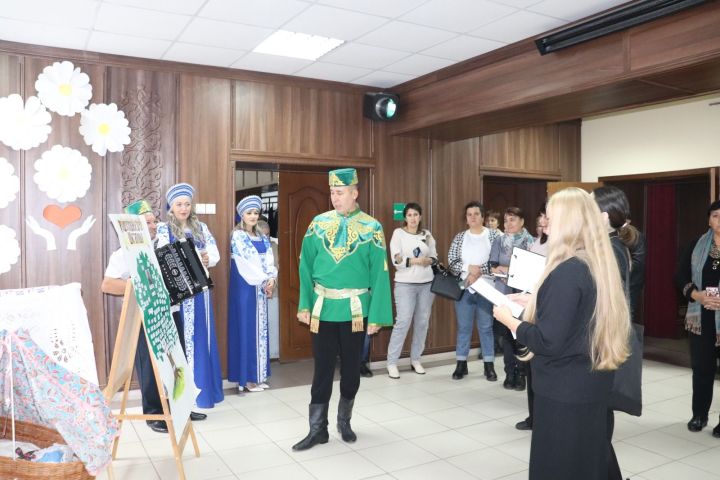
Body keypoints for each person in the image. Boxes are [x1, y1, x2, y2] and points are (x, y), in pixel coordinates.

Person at [493, 187, 630, 480]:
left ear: (568, 224)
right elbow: (581, 314)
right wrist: (535, 301)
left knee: (559, 466)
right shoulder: (596, 263)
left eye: (551, 220)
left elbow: (548, 341)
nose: (545, 227)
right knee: (589, 461)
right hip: (591, 382)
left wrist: (512, 321)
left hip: (563, 390)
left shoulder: (567, 271)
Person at [292, 168, 392, 451]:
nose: (335, 198)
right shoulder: (318, 223)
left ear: (354, 193)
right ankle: (317, 429)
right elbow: (305, 267)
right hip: (323, 309)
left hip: (356, 310)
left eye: (340, 193)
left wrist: (378, 316)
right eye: (332, 193)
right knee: (322, 369)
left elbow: (380, 274)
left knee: (351, 370)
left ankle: (344, 421)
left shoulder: (372, 227)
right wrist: (304, 304)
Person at [102, 200, 169, 433]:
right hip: (141, 316)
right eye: (147, 223)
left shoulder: (161, 246)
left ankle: (174, 409)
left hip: (165, 313)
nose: (153, 226)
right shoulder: (123, 253)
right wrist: (138, 284)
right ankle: (153, 414)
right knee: (148, 366)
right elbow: (108, 284)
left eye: (154, 221)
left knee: (169, 363)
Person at [593, 185, 646, 480]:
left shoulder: (610, 250)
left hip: (603, 343)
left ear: (602, 216)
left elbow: (604, 305)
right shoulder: (609, 245)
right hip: (604, 342)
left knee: (598, 427)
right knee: (597, 427)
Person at [156, 183, 224, 410]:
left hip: (201, 292)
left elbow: (214, 254)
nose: (183, 208)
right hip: (180, 294)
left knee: (202, 338)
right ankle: (184, 395)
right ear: (171, 207)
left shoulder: (201, 228)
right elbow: (163, 257)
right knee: (182, 339)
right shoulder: (164, 230)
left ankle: (203, 393)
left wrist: (207, 259)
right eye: (179, 204)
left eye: (186, 204)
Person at [675, 200, 720, 437]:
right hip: (701, 317)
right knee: (702, 368)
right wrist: (696, 295)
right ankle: (699, 415)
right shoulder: (696, 245)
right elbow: (680, 275)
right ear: (708, 220)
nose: (719, 220)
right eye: (715, 215)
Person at [228, 196, 278, 393]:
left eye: (256, 213)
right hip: (245, 288)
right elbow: (247, 263)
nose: (253, 216)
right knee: (247, 328)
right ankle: (247, 378)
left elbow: (269, 261)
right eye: (249, 213)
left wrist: (272, 278)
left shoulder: (263, 238)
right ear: (241, 215)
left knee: (260, 330)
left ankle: (258, 375)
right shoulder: (238, 236)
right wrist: (265, 279)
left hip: (259, 287)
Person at [448, 201, 500, 381]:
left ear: (483, 216)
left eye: (476, 214)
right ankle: (461, 364)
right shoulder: (460, 237)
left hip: (487, 289)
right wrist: (469, 268)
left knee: (486, 328)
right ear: (466, 218)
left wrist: (478, 272)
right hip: (464, 289)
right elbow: (452, 263)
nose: (473, 217)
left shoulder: (494, 235)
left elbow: (497, 261)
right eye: (469, 214)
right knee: (463, 328)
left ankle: (489, 365)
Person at [386, 202, 438, 379]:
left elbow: (434, 256)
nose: (413, 218)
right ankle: (392, 362)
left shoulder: (427, 234)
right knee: (403, 322)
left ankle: (415, 359)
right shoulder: (398, 233)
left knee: (422, 322)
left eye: (416, 215)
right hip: (405, 284)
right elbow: (396, 260)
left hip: (426, 284)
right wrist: (415, 261)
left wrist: (428, 260)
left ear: (420, 217)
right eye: (409, 215)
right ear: (405, 217)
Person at [489, 207, 534, 390]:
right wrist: (511, 270)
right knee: (506, 334)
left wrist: (507, 269)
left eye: (512, 220)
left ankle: (522, 373)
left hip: (524, 295)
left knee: (522, 333)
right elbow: (492, 266)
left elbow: (531, 269)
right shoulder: (499, 240)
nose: (508, 224)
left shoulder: (531, 242)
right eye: (506, 220)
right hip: (504, 292)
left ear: (522, 221)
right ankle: (509, 373)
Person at [515, 204, 548, 432]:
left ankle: (541, 417)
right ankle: (534, 416)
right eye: (542, 217)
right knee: (530, 367)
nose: (543, 222)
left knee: (540, 368)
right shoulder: (538, 242)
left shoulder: (562, 246)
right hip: (531, 305)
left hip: (544, 309)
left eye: (547, 217)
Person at [257, 219, 280, 360]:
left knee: (272, 324)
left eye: (267, 235)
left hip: (273, 291)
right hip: (255, 291)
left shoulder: (274, 246)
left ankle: (272, 354)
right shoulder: (248, 246)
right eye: (262, 235)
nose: (265, 238)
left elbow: (277, 266)